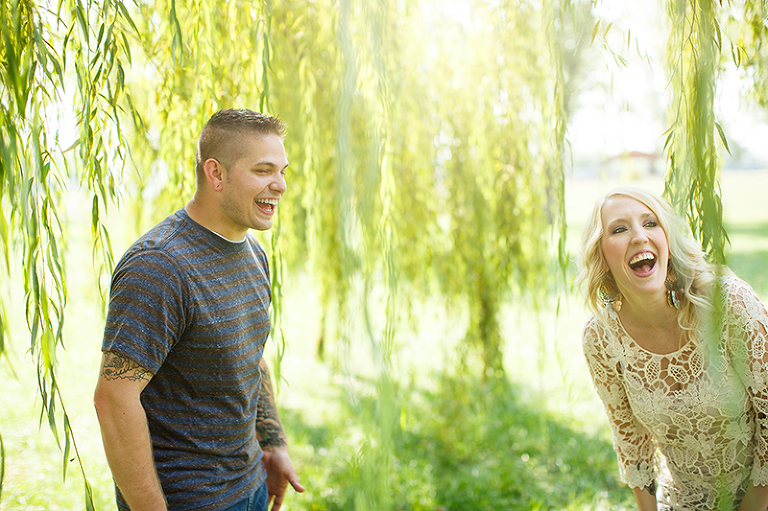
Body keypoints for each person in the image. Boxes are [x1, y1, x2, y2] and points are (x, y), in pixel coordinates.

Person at [93, 108, 305, 511]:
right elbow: (114, 400)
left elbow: (250, 357)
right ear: (216, 173)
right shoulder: (160, 265)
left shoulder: (253, 255)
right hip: (186, 501)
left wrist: (273, 443)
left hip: (251, 486)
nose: (279, 185)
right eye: (263, 171)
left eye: (282, 171)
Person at [576, 185, 768, 511]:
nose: (639, 236)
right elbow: (632, 444)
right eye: (620, 229)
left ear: (667, 240)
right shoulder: (601, 338)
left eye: (651, 223)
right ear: (602, 255)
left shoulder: (729, 303)